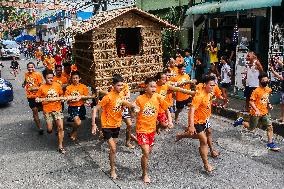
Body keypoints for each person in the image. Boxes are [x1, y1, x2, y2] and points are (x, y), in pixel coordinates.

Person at [176, 75, 217, 172]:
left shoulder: (209, 94)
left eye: (213, 85)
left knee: (199, 135)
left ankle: (181, 135)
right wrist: (191, 125)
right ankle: (206, 165)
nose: (212, 87)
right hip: (197, 121)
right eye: (211, 85)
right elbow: (191, 110)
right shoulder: (200, 96)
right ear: (204, 85)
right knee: (203, 141)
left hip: (205, 119)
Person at [133, 77, 169, 183]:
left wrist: (170, 121)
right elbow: (133, 112)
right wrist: (133, 109)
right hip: (141, 129)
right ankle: (144, 174)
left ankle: (139, 142)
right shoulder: (139, 99)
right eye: (151, 86)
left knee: (147, 152)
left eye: (155, 86)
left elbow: (166, 108)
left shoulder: (158, 97)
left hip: (151, 130)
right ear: (145, 87)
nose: (154, 88)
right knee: (146, 151)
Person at [234, 72, 280, 151]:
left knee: (270, 127)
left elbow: (266, 98)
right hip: (255, 113)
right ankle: (241, 121)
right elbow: (251, 102)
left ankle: (270, 143)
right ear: (260, 81)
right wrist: (257, 110)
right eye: (263, 80)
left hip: (265, 112)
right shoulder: (256, 91)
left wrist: (269, 104)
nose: (265, 82)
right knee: (251, 128)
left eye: (266, 80)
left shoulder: (268, 89)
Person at [91, 74, 126, 179]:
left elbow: (120, 108)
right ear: (113, 85)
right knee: (114, 148)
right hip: (106, 125)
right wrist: (93, 124)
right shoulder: (108, 97)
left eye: (122, 85)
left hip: (117, 125)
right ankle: (112, 170)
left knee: (112, 150)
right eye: (119, 85)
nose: (121, 87)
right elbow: (95, 109)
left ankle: (112, 166)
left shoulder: (121, 95)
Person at [36, 69, 65, 154]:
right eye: (48, 78)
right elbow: (37, 97)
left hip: (57, 109)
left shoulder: (57, 85)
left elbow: (61, 94)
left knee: (61, 127)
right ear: (45, 78)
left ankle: (60, 146)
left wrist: (62, 98)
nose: (51, 79)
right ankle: (50, 128)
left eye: (52, 78)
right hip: (47, 110)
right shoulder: (42, 87)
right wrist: (38, 99)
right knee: (49, 129)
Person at [65, 71, 89, 141]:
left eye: (76, 78)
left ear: (79, 78)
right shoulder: (68, 88)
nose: (75, 79)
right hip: (73, 107)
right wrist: (74, 99)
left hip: (81, 107)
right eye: (73, 78)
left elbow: (86, 97)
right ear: (71, 79)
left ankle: (73, 131)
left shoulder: (83, 87)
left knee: (78, 121)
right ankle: (74, 132)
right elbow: (67, 99)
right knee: (78, 122)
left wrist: (81, 97)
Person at [23, 62, 43, 135]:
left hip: (38, 96)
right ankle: (40, 128)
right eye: (29, 67)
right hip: (30, 97)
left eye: (32, 67)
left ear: (34, 67)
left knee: (42, 110)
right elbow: (26, 81)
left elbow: (41, 86)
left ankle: (36, 117)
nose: (30, 68)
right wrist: (24, 84)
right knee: (35, 110)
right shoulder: (26, 74)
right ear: (27, 68)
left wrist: (33, 89)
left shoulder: (38, 74)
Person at [269, 58, 284, 122]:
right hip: (283, 88)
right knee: (282, 104)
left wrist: (272, 71)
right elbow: (281, 64)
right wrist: (276, 59)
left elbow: (281, 78)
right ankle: (282, 117)